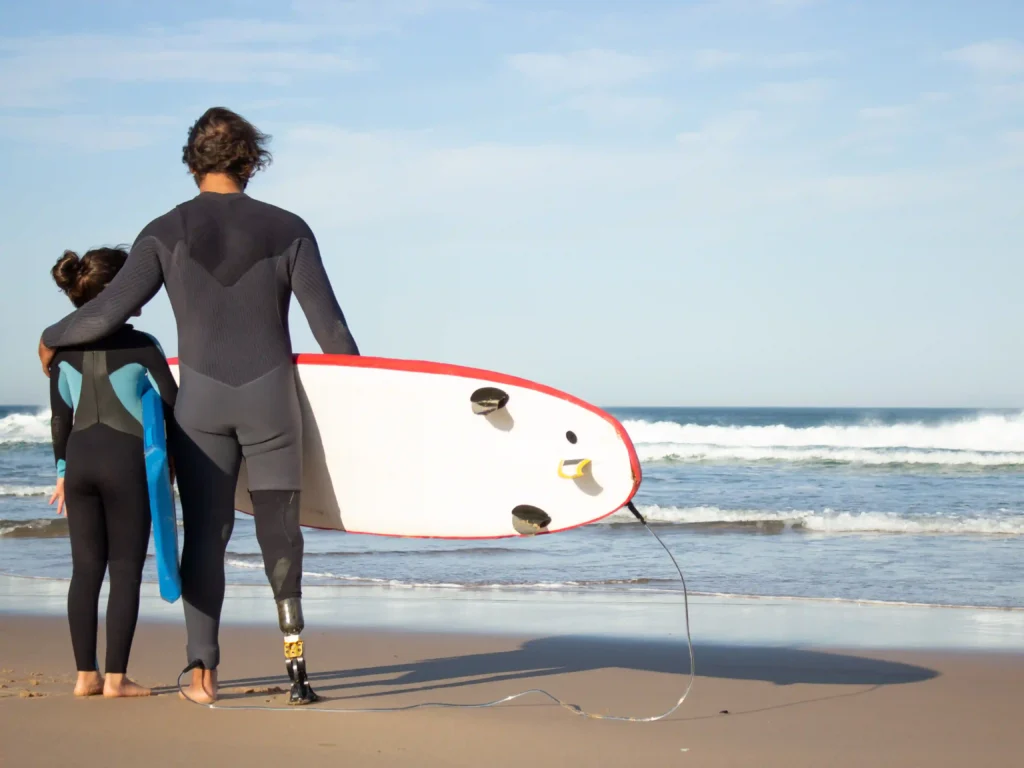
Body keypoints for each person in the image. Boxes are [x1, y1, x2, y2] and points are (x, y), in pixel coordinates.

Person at [38, 107, 360, 705]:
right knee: (280, 538)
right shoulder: (290, 228)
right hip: (272, 408)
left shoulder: (164, 229)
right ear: (250, 160)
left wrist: (53, 334)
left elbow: (107, 313)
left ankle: (203, 675)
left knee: (207, 537)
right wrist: (362, 413)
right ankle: (298, 674)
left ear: (192, 163)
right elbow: (332, 332)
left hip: (201, 412)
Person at [47, 246, 178, 698]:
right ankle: (117, 680)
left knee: (85, 572)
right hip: (125, 465)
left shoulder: (62, 349)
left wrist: (63, 471)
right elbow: (173, 405)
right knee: (124, 571)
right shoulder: (144, 345)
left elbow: (60, 418)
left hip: (79, 464)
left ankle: (86, 676)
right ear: (116, 292)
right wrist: (173, 467)